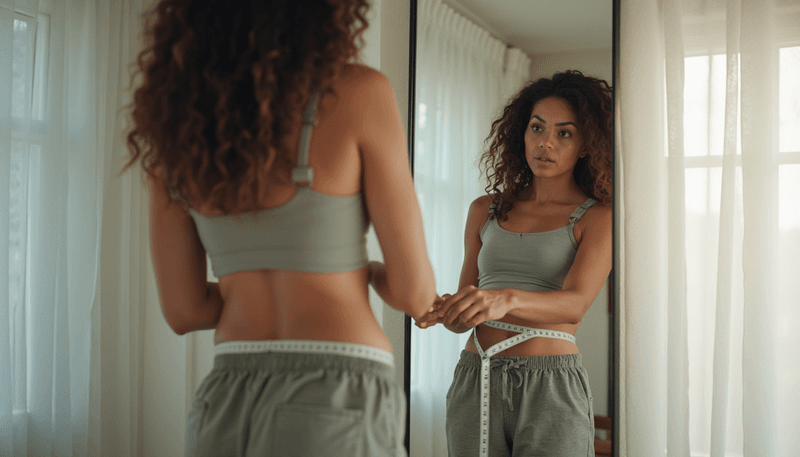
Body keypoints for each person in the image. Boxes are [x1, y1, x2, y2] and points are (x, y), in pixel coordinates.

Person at [123, 1, 436, 455]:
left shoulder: (174, 128)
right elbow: (416, 295)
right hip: (338, 384)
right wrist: (355, 270)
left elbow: (184, 311)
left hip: (227, 391)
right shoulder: (358, 91)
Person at [415, 70, 613, 456]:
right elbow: (463, 319)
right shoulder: (484, 210)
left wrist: (504, 298)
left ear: (586, 145)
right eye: (537, 128)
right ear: (521, 133)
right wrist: (447, 310)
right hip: (476, 375)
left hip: (550, 386)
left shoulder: (598, 217)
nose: (545, 143)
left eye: (564, 133)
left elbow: (575, 304)